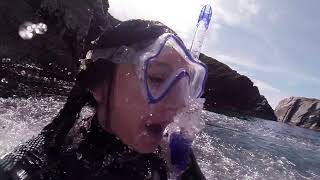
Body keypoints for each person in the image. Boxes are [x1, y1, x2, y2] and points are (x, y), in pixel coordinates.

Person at [0, 20, 207, 180]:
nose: (178, 103)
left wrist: (186, 167)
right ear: (99, 85)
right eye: (157, 78)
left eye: (184, 86)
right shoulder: (39, 164)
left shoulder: (173, 160)